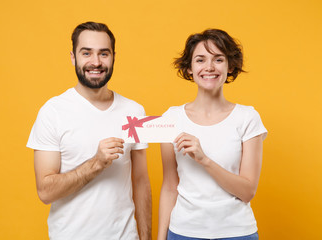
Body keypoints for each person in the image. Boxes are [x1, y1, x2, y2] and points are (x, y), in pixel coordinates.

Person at [27, 22, 151, 240]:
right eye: (87, 53)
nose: (96, 62)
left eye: (104, 53)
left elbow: (141, 183)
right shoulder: (53, 112)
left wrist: (146, 237)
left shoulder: (134, 111)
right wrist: (96, 163)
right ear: (73, 57)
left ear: (114, 57)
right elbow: (45, 192)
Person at [157, 29, 267, 240]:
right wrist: (161, 238)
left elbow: (247, 191)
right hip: (182, 233)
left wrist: (204, 159)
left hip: (237, 233)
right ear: (189, 68)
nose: (209, 67)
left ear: (230, 66)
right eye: (200, 60)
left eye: (218, 59)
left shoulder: (247, 118)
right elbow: (170, 187)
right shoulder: (171, 118)